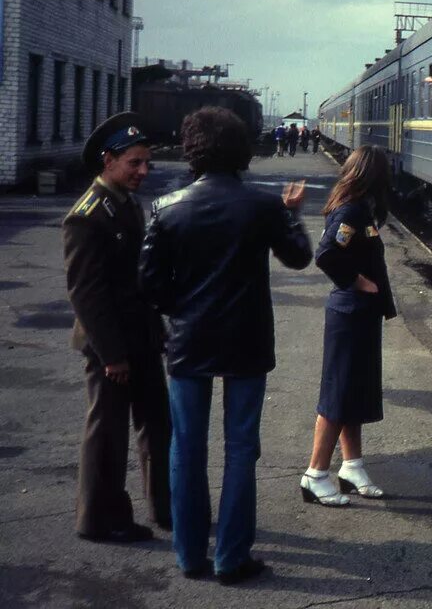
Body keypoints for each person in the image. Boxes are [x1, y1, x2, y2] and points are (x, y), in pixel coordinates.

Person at [140, 106, 312, 584]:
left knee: (186, 448)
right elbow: (298, 258)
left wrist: (186, 310)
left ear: (192, 148)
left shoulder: (167, 208)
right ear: (240, 148)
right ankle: (232, 558)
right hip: (246, 340)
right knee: (240, 449)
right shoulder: (262, 207)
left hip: (189, 343)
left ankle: (189, 555)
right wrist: (293, 216)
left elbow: (150, 285)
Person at [62, 112, 170, 544]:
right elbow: (86, 294)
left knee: (158, 425)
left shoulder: (125, 202)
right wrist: (112, 356)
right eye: (135, 164)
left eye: (147, 163)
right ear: (109, 160)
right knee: (107, 434)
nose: (143, 172)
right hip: (111, 349)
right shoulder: (87, 216)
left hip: (142, 337)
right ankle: (99, 520)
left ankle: (166, 507)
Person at [300, 146, 397, 507]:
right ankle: (315, 474)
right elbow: (325, 254)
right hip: (350, 313)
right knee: (338, 395)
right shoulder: (351, 211)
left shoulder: (362, 209)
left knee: (353, 393)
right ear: (373, 175)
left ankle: (351, 466)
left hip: (360, 314)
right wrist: (358, 281)